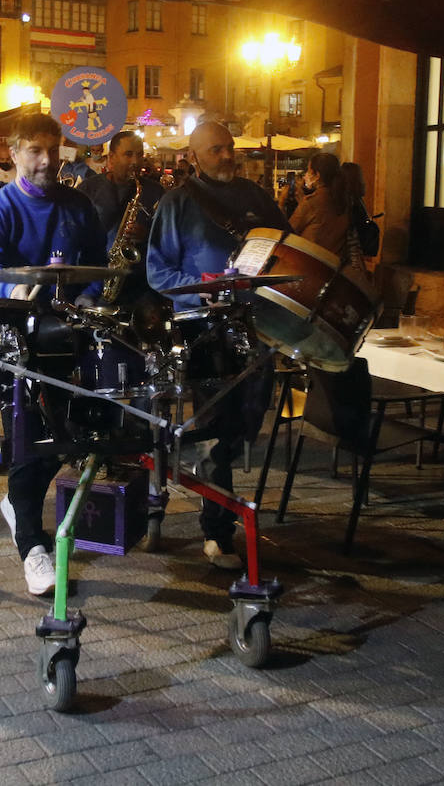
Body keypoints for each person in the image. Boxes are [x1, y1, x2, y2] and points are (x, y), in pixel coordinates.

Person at [0, 112, 107, 595]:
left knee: (75, 433)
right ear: (13, 154)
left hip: (71, 335)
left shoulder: (79, 205)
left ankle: (18, 503)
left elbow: (97, 265)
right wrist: (17, 294)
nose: (47, 160)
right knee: (31, 439)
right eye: (35, 151)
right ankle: (32, 544)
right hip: (19, 340)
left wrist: (88, 297)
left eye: (53, 149)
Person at [146, 120, 287, 568]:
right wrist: (200, 292)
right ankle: (217, 531)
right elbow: (158, 272)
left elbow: (286, 248)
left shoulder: (256, 197)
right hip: (206, 331)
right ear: (193, 157)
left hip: (256, 326)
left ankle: (220, 501)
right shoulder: (177, 203)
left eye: (229, 148)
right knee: (214, 429)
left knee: (247, 421)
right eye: (216, 150)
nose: (227, 156)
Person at [77, 130, 164, 306]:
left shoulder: (155, 191)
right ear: (112, 157)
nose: (135, 162)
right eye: (128, 154)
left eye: (139, 155)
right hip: (94, 282)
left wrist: (147, 235)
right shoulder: (88, 189)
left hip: (141, 285)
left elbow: (168, 239)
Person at [288, 152, 352, 258]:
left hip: (311, 262)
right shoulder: (344, 199)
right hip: (335, 263)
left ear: (317, 175)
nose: (306, 175)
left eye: (308, 171)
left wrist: (281, 203)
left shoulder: (311, 203)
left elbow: (288, 231)